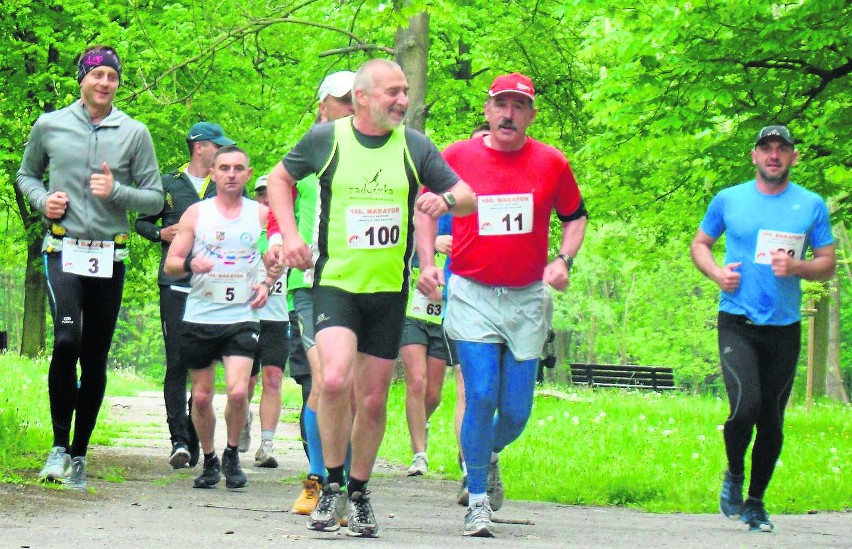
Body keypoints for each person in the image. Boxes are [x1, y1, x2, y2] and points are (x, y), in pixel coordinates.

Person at [266, 58, 475, 538]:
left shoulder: (415, 146)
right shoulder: (328, 139)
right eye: (392, 92)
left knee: (374, 398)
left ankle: (358, 493)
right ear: (362, 97)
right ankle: (332, 485)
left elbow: (468, 196)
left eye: (405, 91)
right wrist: (293, 236)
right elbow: (280, 179)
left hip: (387, 291)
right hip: (335, 283)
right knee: (335, 380)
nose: (403, 100)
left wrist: (444, 201)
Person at [415, 72, 588, 537]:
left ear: (530, 115)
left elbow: (575, 217)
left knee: (515, 412)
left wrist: (563, 259)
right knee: (483, 391)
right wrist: (427, 260)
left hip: (527, 296)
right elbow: (424, 207)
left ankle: (483, 453)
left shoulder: (552, 163)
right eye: (501, 105)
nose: (509, 114)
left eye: (519, 106)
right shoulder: (456, 156)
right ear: (488, 111)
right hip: (471, 292)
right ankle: (476, 499)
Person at [16, 45, 163, 490]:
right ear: (82, 79)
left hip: (109, 253)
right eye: (97, 75)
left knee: (94, 355)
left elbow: (155, 198)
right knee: (66, 339)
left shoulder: (134, 132)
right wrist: (45, 202)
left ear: (118, 84)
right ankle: (58, 448)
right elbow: (27, 176)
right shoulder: (51, 125)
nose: (104, 83)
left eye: (112, 78)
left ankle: (80, 454)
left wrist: (117, 190)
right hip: (62, 249)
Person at [690, 125, 836, 532]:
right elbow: (699, 244)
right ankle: (734, 473)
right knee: (745, 406)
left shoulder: (810, 205)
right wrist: (717, 273)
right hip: (737, 321)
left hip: (783, 328)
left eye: (782, 149)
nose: (774, 155)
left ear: (793, 157)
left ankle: (755, 503)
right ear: (754, 155)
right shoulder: (730, 199)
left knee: (771, 418)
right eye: (766, 148)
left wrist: (798, 267)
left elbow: (826, 263)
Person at [164, 145, 278, 490]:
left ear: (247, 173)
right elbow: (171, 263)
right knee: (201, 397)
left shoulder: (260, 215)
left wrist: (267, 282)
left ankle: (232, 453)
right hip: (200, 314)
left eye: (238, 168)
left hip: (242, 315)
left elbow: (276, 256)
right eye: (224, 168)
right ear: (213, 172)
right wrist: (189, 264)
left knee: (239, 391)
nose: (231, 174)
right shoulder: (196, 214)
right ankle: (210, 459)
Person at [269, 70, 357, 516]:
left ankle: (350, 481)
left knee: (353, 389)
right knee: (323, 383)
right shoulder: (305, 159)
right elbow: (275, 209)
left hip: (363, 285)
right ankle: (319, 481)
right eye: (342, 101)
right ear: (322, 106)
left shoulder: (374, 158)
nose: (351, 108)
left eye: (356, 100)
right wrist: (279, 246)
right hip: (309, 285)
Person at [136, 121, 236, 469]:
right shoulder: (167, 184)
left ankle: (197, 436)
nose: (222, 153)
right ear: (199, 147)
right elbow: (141, 222)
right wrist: (162, 232)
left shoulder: (226, 184)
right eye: (217, 146)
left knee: (204, 363)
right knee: (177, 360)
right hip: (175, 284)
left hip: (214, 285)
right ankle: (178, 439)